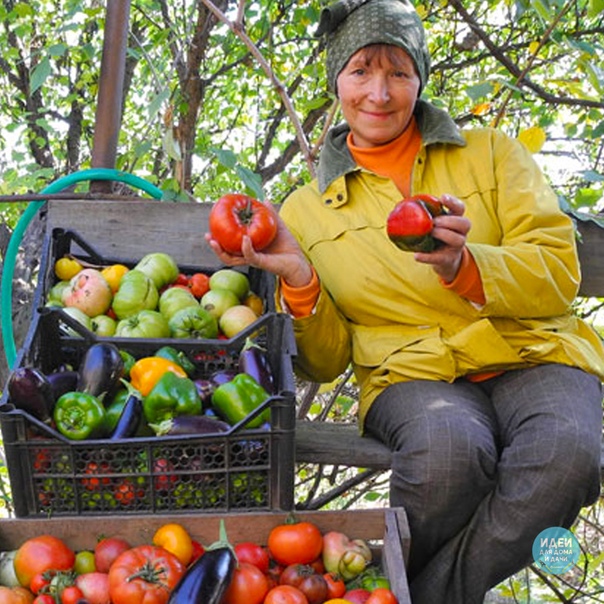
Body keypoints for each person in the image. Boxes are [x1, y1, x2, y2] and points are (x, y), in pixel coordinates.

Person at [206, 0, 604, 601]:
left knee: (568, 455)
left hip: (534, 352)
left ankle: (417, 594)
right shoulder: (306, 210)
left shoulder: (491, 152)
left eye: (398, 72)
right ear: (337, 80)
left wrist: (468, 266)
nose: (379, 92)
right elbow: (327, 361)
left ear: (419, 78)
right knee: (448, 454)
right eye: (361, 71)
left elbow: (558, 270)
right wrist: (299, 280)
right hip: (412, 374)